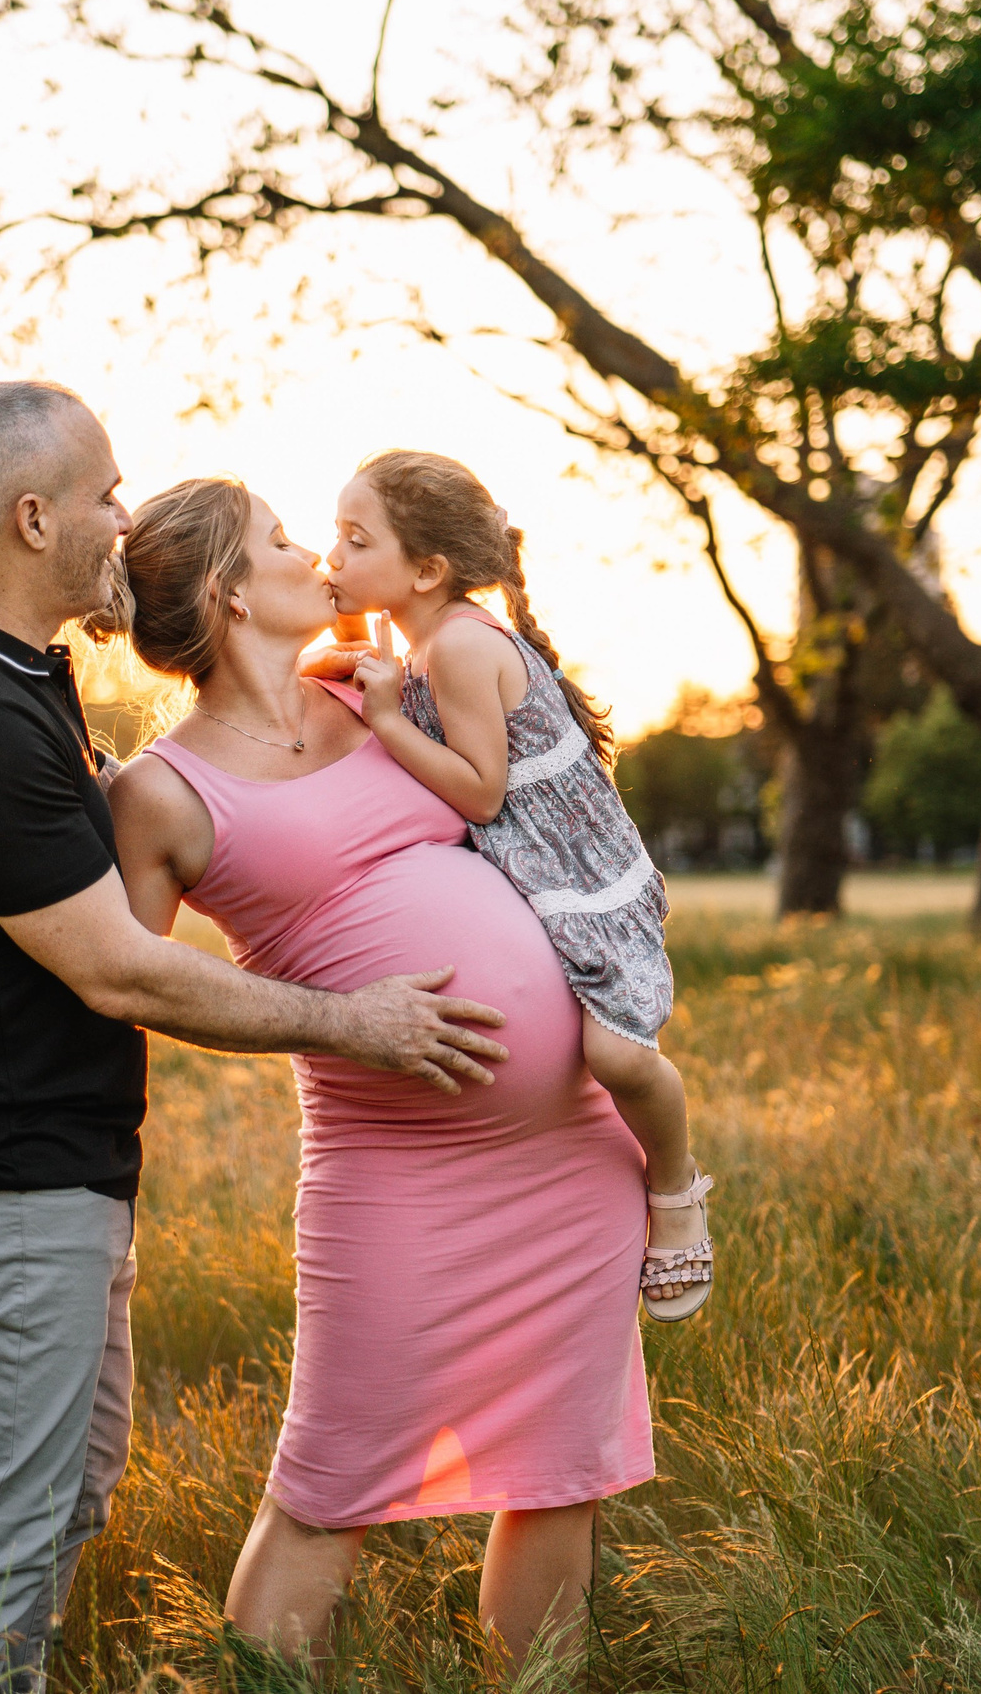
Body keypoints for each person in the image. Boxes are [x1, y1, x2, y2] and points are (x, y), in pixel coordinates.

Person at [0, 382, 512, 1694]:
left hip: (44, 1177)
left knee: (53, 1513)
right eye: (104, 494)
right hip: (15, 1185)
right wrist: (355, 1022)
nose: (124, 515)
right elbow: (117, 969)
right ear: (36, 517)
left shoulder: (13, 672)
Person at [106, 477, 657, 1679]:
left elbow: (529, 798)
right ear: (230, 593)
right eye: (283, 541)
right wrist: (346, 1021)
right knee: (328, 1483)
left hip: (573, 1147)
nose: (315, 553)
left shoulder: (373, 693)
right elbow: (130, 988)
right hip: (391, 1169)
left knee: (560, 1468)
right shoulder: (160, 793)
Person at [324, 450, 713, 1318]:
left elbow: (481, 789)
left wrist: (387, 717)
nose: (332, 559)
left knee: (616, 1054)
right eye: (331, 538)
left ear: (426, 570)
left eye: (355, 541)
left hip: (586, 886)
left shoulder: (459, 644)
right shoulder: (419, 638)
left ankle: (677, 1189)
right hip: (536, 883)